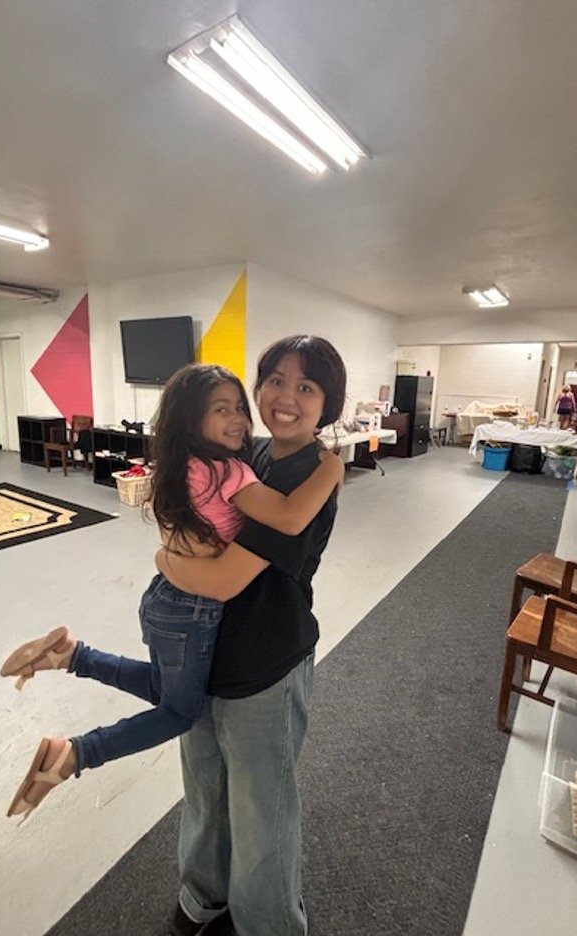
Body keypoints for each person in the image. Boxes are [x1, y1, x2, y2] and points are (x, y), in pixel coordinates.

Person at [0, 362, 343, 820]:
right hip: (192, 609)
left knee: (168, 688)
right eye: (222, 409)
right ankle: (74, 755)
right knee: (181, 712)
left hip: (166, 599)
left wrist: (164, 558)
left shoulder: (187, 464)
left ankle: (70, 656)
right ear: (191, 419)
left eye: (240, 407)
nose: (239, 419)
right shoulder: (229, 473)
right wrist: (333, 467)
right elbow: (287, 515)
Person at [155, 335, 347, 936]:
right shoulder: (250, 454)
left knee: (263, 811)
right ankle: (202, 899)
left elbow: (225, 580)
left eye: (306, 387)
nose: (285, 398)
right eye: (274, 382)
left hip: (266, 666)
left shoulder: (308, 477)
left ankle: (268, 925)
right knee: (207, 790)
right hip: (208, 656)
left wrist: (165, 563)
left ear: (327, 405)